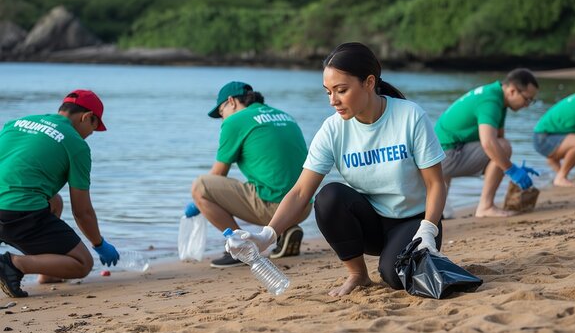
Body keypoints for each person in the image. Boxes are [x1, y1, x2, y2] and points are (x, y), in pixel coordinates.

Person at [225, 42, 447, 296]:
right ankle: (358, 275)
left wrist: (429, 229)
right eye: (328, 92)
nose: (333, 101)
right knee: (329, 197)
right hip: (371, 223)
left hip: (415, 220)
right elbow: (300, 192)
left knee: (394, 277)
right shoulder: (333, 129)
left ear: (369, 82)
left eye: (341, 90)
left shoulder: (410, 116)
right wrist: (267, 234)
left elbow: (435, 184)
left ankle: (412, 255)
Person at [0, 90, 120, 298]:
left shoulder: (18, 123)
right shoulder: (76, 145)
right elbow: (82, 211)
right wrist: (99, 244)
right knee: (83, 263)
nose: (90, 134)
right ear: (86, 116)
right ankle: (13, 264)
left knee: (55, 201)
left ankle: (48, 273)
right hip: (16, 213)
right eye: (93, 127)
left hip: (9, 207)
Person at [191, 81, 310, 268]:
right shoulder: (285, 116)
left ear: (231, 101)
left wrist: (196, 204)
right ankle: (285, 231)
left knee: (200, 187)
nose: (223, 119)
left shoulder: (234, 121)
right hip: (302, 206)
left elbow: (218, 175)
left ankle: (242, 248)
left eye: (221, 113)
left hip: (275, 207)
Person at [434, 69, 540, 218]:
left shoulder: (497, 97)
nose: (527, 105)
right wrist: (512, 170)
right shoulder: (491, 100)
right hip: (442, 157)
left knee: (442, 215)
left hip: (443, 153)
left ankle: (442, 208)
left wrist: (510, 166)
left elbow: (497, 137)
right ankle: (485, 206)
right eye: (527, 99)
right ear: (512, 91)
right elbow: (489, 143)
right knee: (502, 147)